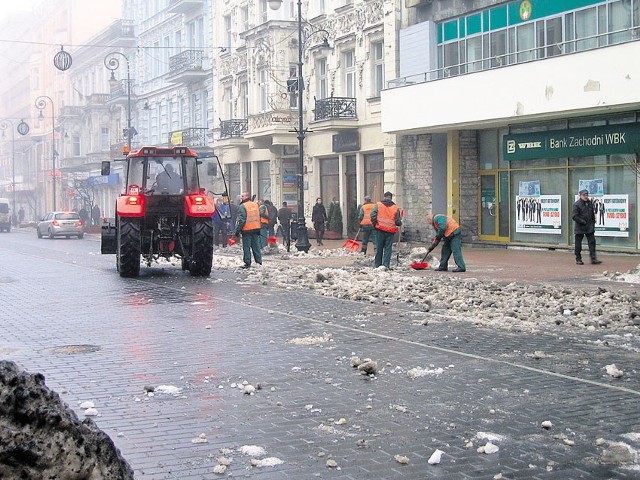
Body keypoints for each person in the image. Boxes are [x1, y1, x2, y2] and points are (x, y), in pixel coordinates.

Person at [370, 192, 402, 269]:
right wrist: (400, 222)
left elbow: (373, 215)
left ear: (384, 197)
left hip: (379, 230)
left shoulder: (378, 205)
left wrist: (375, 225)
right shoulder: (395, 208)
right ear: (391, 198)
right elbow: (397, 222)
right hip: (390, 232)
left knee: (379, 248)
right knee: (388, 249)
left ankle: (377, 265)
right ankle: (386, 265)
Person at [572, 189, 601, 265]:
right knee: (578, 244)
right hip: (580, 227)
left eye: (587, 195)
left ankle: (593, 258)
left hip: (589, 227)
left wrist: (593, 222)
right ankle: (578, 259)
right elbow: (574, 216)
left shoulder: (589, 203)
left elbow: (592, 213)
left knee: (592, 242)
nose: (586, 196)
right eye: (584, 195)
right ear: (580, 196)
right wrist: (582, 222)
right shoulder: (577, 204)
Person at [234, 192, 262, 268]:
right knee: (256, 246)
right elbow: (259, 216)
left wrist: (237, 231)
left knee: (246, 247)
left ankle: (247, 262)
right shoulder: (255, 205)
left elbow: (241, 220)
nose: (241, 198)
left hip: (247, 229)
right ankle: (259, 261)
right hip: (256, 228)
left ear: (246, 197)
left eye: (242, 196)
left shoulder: (243, 206)